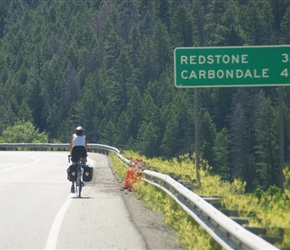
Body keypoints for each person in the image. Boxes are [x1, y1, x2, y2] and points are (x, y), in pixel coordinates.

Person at [69, 126, 88, 193]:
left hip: (75, 150)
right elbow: (85, 146)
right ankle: (82, 178)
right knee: (84, 163)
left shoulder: (73, 136)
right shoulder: (84, 137)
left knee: (74, 166)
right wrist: (85, 155)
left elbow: (71, 146)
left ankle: (72, 186)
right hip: (82, 150)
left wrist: (71, 154)